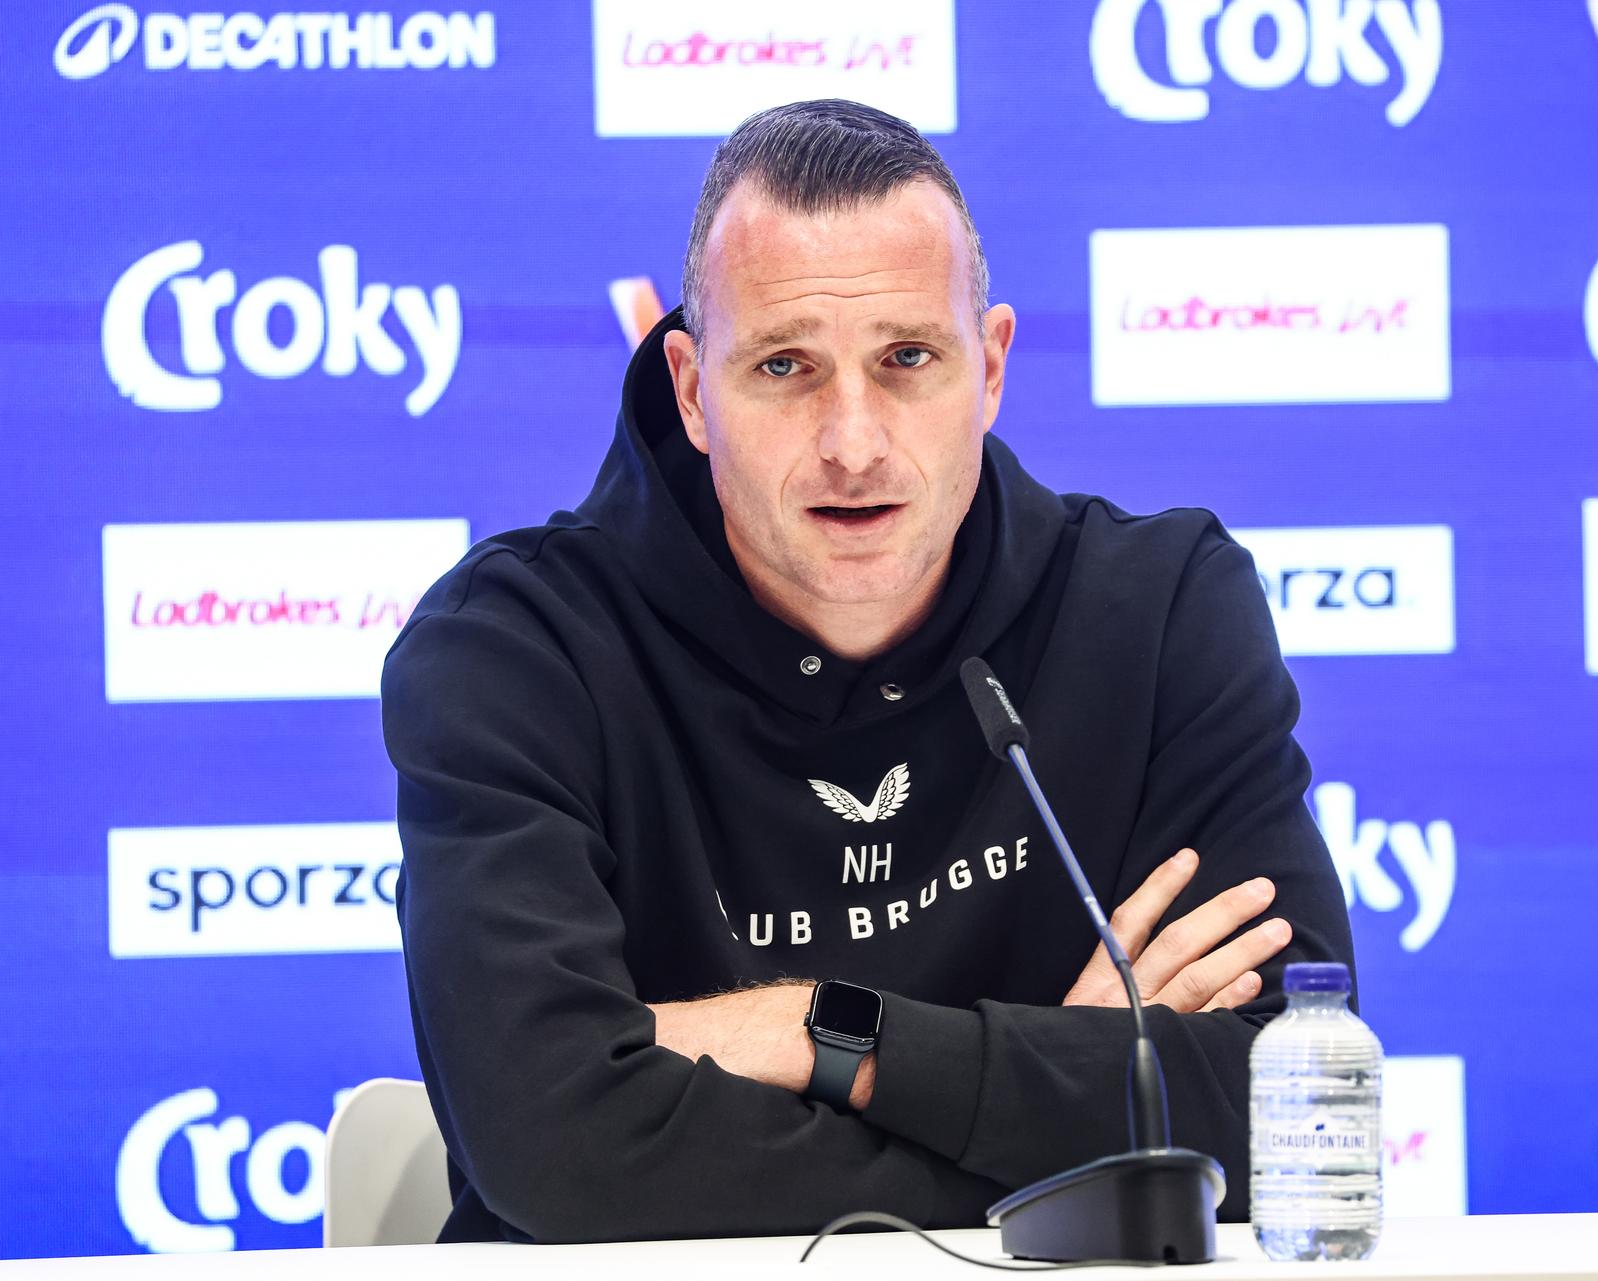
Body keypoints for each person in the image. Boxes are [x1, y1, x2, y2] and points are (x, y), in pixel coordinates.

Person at [381, 98, 1354, 1246]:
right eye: (787, 366)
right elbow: (556, 1146)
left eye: (906, 359)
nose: (853, 441)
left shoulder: (1160, 609)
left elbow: (1286, 1105)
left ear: (989, 367)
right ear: (694, 392)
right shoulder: (514, 648)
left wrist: (815, 1028)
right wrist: (1064, 1114)